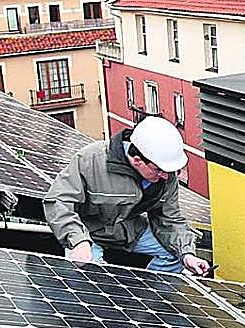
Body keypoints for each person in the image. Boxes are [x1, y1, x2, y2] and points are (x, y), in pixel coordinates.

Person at [43, 116, 210, 275]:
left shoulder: (165, 174)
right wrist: (78, 240)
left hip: (130, 231)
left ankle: (148, 297)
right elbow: (58, 201)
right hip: (88, 232)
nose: (166, 176)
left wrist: (187, 253)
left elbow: (169, 219)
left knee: (175, 255)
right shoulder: (91, 160)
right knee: (90, 274)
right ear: (137, 160)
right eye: (159, 170)